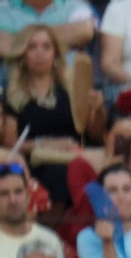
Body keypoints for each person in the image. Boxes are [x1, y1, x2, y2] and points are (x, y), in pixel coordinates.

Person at [2, 25, 102, 210]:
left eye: (46, 47)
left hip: (76, 155)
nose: (40, 53)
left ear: (55, 54)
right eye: (32, 47)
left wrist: (98, 110)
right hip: (37, 161)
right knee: (57, 174)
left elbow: (95, 134)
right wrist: (46, 143)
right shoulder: (12, 96)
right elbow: (10, 145)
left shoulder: (70, 88)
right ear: (23, 55)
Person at [68, 110, 131, 223]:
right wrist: (106, 175)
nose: (125, 144)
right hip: (91, 226)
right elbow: (83, 212)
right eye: (119, 138)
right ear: (105, 136)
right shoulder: (81, 164)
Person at [0, 164, 66, 258]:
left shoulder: (49, 239)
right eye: (4, 194)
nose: (13, 200)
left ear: (28, 196)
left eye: (18, 192)